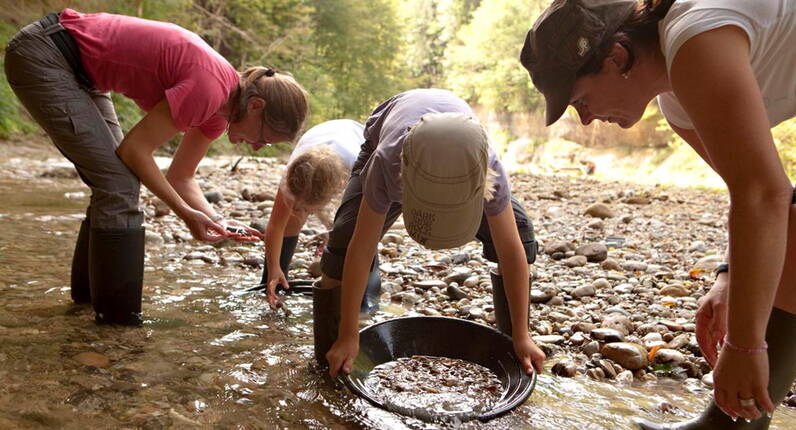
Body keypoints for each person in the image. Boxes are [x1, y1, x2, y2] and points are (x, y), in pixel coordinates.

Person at [520, 0, 796, 428]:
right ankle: (731, 424)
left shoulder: (694, 38)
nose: (587, 118)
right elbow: (751, 189)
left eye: (579, 99)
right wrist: (728, 276)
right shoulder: (678, 106)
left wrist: (744, 347)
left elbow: (764, 195)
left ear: (616, 57)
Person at [4, 9, 308, 326]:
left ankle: (87, 302)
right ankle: (117, 326)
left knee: (116, 183)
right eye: (265, 138)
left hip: (82, 71)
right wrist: (185, 214)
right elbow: (134, 151)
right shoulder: (210, 89)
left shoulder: (221, 111)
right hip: (46, 53)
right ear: (256, 106)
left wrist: (218, 222)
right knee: (119, 185)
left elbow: (182, 176)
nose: (258, 147)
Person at [315, 88, 546, 377]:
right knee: (345, 239)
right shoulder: (387, 164)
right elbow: (361, 248)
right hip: (393, 143)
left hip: (462, 156)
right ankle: (331, 352)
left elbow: (511, 251)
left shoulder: (487, 169)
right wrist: (350, 334)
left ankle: (514, 347)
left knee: (521, 234)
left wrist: (523, 335)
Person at [260, 119, 366, 308]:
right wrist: (274, 268)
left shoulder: (360, 167)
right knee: (291, 220)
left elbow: (369, 230)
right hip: (319, 138)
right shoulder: (295, 169)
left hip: (356, 137)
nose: (300, 212)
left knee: (354, 232)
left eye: (307, 209)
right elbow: (276, 225)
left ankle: (366, 296)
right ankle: (273, 283)